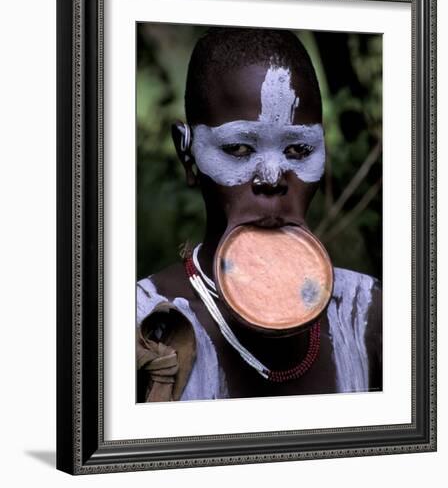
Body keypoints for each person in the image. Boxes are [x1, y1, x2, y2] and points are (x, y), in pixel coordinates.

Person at [136, 27, 382, 403]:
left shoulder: (368, 314)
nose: (271, 178)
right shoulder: (141, 322)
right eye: (237, 148)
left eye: (299, 149)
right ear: (187, 154)